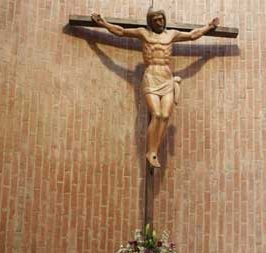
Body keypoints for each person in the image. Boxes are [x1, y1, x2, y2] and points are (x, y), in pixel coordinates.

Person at [91, 9, 219, 168]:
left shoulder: (171, 35)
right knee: (156, 114)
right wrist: (102, 23)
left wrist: (209, 26)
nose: (160, 22)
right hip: (151, 76)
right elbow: (121, 31)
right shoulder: (143, 33)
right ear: (151, 22)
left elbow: (192, 35)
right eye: (156, 20)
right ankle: (150, 152)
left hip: (166, 77)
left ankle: (153, 152)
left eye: (161, 19)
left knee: (165, 115)